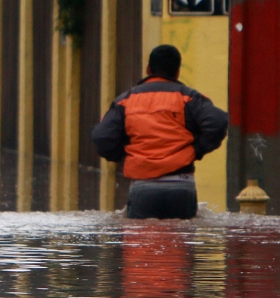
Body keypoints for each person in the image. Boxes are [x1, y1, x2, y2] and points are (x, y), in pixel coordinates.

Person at [91, 44, 229, 219]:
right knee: (181, 242)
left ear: (148, 69)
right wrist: (196, 149)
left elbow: (102, 137)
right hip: (182, 187)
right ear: (177, 72)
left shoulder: (126, 101)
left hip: (143, 189)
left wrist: (126, 158)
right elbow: (218, 122)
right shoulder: (188, 97)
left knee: (142, 245)